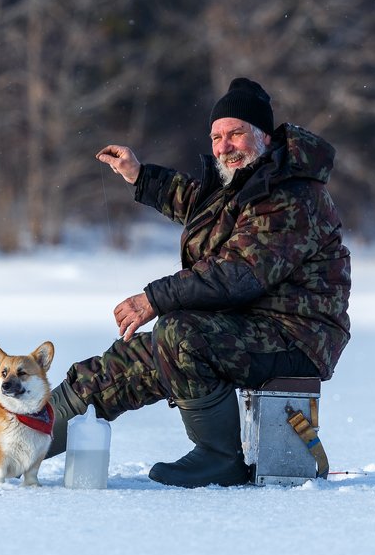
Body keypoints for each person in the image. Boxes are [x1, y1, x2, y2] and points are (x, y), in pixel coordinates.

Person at [47, 77, 352, 487]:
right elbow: (198, 203)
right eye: (217, 137)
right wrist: (140, 176)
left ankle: (219, 457)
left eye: (236, 134)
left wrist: (154, 299)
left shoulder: (292, 195)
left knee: (180, 334)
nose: (225, 146)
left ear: (263, 136)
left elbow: (239, 273)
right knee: (129, 362)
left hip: (296, 336)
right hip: (244, 325)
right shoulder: (249, 182)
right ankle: (17, 435)